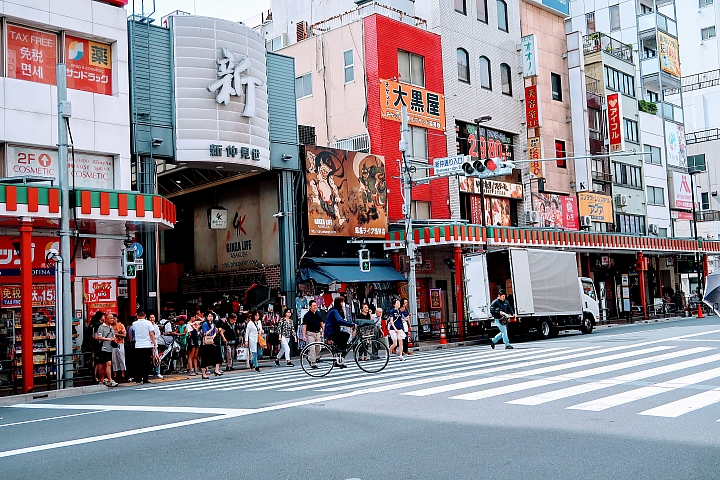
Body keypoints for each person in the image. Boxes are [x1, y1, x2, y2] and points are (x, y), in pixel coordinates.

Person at [324, 297, 355, 366]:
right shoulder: (334, 311)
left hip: (333, 330)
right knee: (346, 336)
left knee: (344, 338)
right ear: (338, 303)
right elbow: (340, 320)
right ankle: (340, 350)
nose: (343, 303)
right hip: (331, 331)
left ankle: (339, 359)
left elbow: (342, 320)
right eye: (341, 302)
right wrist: (352, 324)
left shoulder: (337, 310)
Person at [132, 311, 156, 385]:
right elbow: (151, 334)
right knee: (146, 363)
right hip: (147, 345)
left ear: (137, 316)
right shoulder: (148, 323)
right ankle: (145, 379)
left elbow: (134, 332)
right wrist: (154, 344)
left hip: (138, 345)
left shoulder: (134, 323)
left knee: (138, 363)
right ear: (145, 315)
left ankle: (138, 380)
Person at [95, 312, 118, 387]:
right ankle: (110, 379)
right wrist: (109, 339)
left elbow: (113, 336)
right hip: (103, 348)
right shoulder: (101, 327)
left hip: (109, 348)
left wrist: (114, 341)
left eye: (113, 318)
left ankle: (101, 380)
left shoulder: (111, 327)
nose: (112, 320)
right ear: (106, 319)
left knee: (105, 365)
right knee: (109, 363)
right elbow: (99, 337)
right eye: (110, 318)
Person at [302, 300, 325, 369]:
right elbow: (304, 326)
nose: (315, 307)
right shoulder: (307, 315)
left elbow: (321, 323)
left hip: (318, 332)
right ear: (310, 307)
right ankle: (313, 363)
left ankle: (310, 358)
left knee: (318, 348)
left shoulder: (318, 314)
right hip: (310, 333)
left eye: (316, 305)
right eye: (313, 306)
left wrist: (324, 331)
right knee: (312, 348)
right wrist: (303, 335)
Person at [200, 312, 223, 379]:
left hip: (212, 341)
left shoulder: (213, 324)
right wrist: (211, 329)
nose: (210, 317)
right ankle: (204, 373)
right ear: (206, 317)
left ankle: (217, 369)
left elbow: (215, 332)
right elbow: (205, 333)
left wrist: (213, 335)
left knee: (218, 355)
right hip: (206, 343)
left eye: (211, 316)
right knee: (204, 358)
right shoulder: (205, 324)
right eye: (209, 316)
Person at [111, 314, 126, 381]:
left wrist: (117, 334)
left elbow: (124, 335)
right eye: (112, 318)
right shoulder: (110, 326)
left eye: (114, 318)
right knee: (114, 359)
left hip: (120, 343)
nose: (113, 320)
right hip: (112, 344)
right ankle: (115, 373)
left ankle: (123, 372)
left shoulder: (120, 325)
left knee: (121, 358)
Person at [149, 313, 163, 379]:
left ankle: (158, 372)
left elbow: (158, 334)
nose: (152, 319)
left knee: (157, 358)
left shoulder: (156, 326)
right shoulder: (147, 325)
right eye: (150, 317)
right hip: (148, 344)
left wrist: (153, 338)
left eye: (153, 317)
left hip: (154, 344)